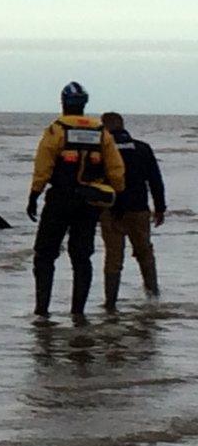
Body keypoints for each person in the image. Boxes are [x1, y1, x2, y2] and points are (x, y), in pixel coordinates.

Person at [26, 82, 125, 319]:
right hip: (89, 203)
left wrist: (34, 195)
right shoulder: (102, 132)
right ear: (84, 104)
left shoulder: (56, 129)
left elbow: (43, 165)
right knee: (81, 256)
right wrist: (117, 195)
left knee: (45, 254)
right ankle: (78, 312)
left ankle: (42, 310)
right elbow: (116, 168)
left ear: (63, 103)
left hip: (60, 199)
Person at [98, 112, 166, 310]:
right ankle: (153, 295)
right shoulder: (142, 148)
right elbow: (155, 180)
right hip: (138, 209)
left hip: (111, 209)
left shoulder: (102, 149)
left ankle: (110, 303)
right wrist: (160, 208)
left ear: (105, 128)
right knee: (145, 252)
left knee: (113, 257)